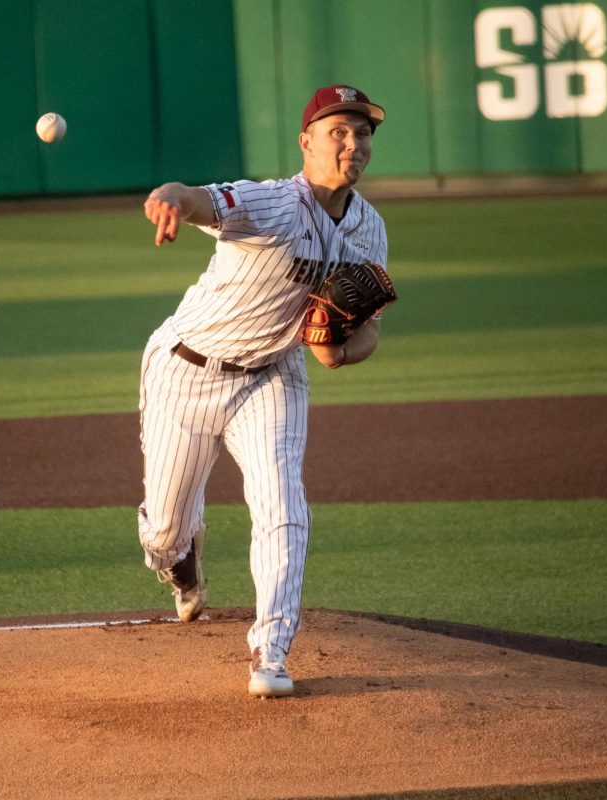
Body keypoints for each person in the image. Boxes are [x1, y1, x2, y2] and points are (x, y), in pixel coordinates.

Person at [138, 84, 389, 698]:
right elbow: (195, 199)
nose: (352, 144)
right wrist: (167, 199)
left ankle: (271, 650)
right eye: (339, 132)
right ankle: (182, 559)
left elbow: (370, 332)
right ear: (306, 142)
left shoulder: (369, 230)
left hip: (273, 377)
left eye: (362, 134)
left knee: (283, 506)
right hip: (185, 369)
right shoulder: (268, 203)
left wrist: (338, 349)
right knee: (163, 530)